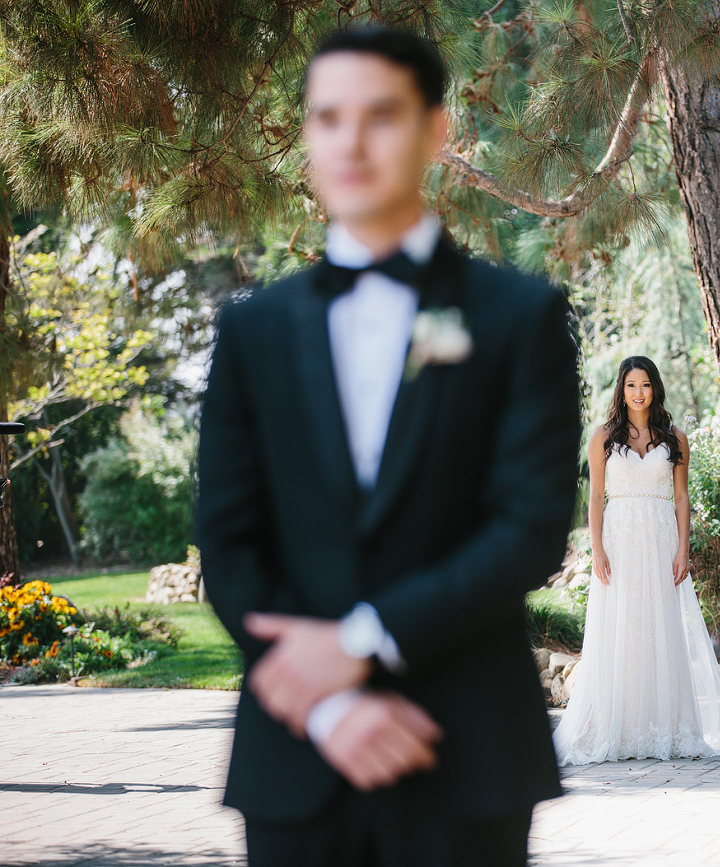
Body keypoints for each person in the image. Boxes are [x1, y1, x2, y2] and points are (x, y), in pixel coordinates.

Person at [196, 25, 581, 867]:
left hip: (467, 746)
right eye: (328, 117)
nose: (352, 140)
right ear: (308, 135)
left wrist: (363, 640)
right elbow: (228, 544)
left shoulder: (517, 318)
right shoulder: (252, 332)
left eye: (381, 114)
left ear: (435, 130)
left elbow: (527, 528)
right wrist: (327, 703)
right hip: (297, 758)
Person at [551, 356, 720, 764]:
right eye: (630, 385)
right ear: (621, 390)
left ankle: (666, 725)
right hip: (620, 539)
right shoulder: (602, 437)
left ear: (655, 388)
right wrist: (598, 549)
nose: (638, 393)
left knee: (660, 626)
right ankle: (617, 727)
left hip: (660, 540)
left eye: (645, 385)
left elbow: (681, 497)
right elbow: (595, 497)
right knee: (621, 625)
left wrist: (683, 549)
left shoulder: (675, 437)